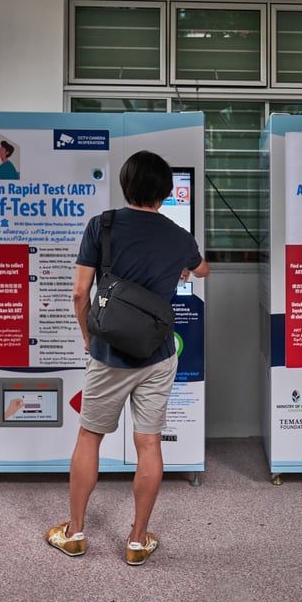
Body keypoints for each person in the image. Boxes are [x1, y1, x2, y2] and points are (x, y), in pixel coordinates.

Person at [46, 150, 210, 566]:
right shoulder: (178, 236)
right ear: (166, 192)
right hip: (157, 354)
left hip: (109, 355)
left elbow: (80, 293)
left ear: (126, 185)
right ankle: (137, 541)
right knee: (149, 442)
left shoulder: (102, 226)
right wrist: (186, 269)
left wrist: (87, 337)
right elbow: (204, 268)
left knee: (89, 437)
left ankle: (75, 533)